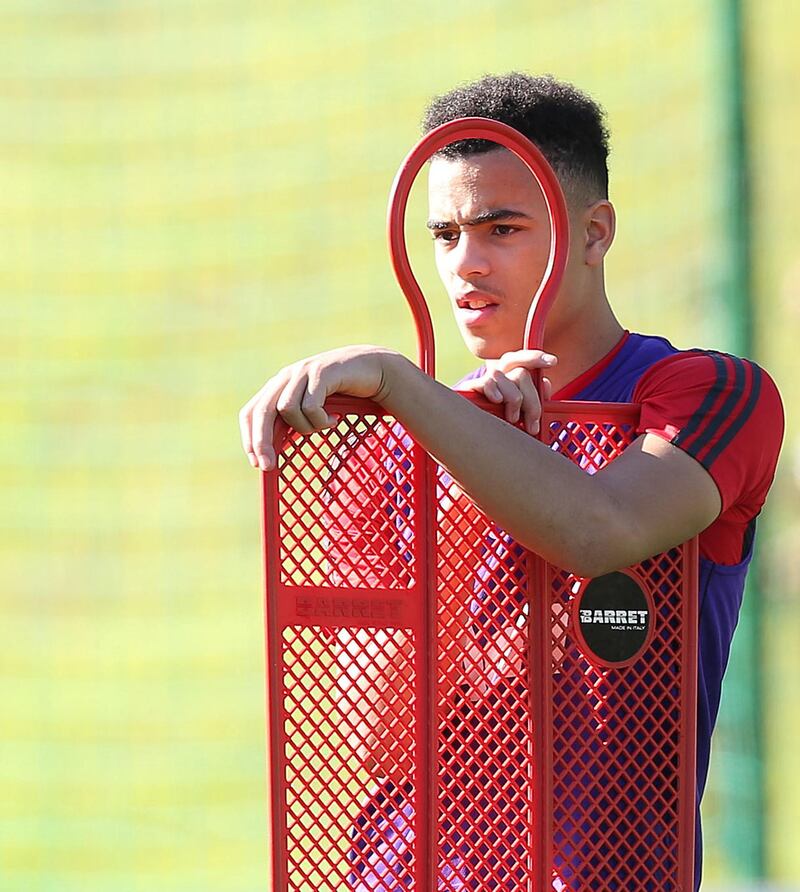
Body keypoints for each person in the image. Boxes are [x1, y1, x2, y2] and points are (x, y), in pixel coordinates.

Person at [239, 73, 784, 890]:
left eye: (501, 227)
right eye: (446, 234)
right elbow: (379, 736)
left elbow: (602, 527)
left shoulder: (703, 394)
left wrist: (398, 383)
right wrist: (452, 470)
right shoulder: (387, 446)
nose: (467, 264)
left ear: (594, 233)